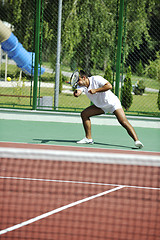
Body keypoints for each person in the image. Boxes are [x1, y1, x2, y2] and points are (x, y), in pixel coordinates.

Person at [73, 70, 144, 148]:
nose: (78, 83)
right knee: (84, 114)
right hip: (100, 107)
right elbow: (78, 92)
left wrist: (96, 90)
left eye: (78, 80)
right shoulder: (81, 86)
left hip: (113, 103)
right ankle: (88, 138)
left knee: (123, 121)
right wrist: (76, 94)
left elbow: (109, 86)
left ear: (84, 77)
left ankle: (137, 141)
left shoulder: (96, 79)